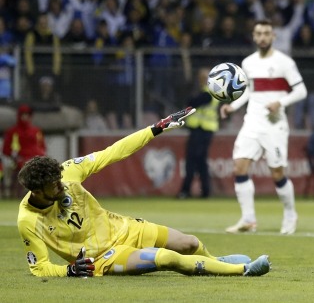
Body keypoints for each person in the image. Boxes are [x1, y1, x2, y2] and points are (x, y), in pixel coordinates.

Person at [17, 107, 270, 277]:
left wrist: (156, 128)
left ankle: (216, 262)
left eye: (60, 180)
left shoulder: (68, 172)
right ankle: (244, 270)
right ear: (37, 192)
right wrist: (69, 271)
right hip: (104, 256)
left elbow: (114, 151)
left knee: (189, 242)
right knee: (168, 258)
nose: (61, 186)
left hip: (125, 228)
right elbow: (39, 267)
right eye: (54, 186)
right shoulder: (28, 221)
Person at [221, 19, 308, 235]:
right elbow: (249, 91)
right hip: (252, 122)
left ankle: (290, 214)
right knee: (239, 167)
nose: (262, 37)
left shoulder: (284, 62)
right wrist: (232, 106)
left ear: (273, 37)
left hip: (274, 124)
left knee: (277, 173)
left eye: (266, 33)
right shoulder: (248, 62)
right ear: (253, 36)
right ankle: (248, 220)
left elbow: (301, 91)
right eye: (258, 33)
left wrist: (281, 102)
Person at [177, 68, 220, 199]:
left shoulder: (209, 93)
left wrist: (192, 96)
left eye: (204, 77)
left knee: (192, 161)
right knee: (201, 161)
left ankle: (185, 191)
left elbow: (193, 102)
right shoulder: (211, 91)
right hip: (202, 130)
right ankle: (205, 191)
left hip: (201, 130)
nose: (202, 79)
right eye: (201, 77)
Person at [2, 104, 46, 198]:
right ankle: (15, 195)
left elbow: (42, 147)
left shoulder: (36, 131)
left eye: (27, 114)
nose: (25, 117)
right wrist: (16, 158)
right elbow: (6, 150)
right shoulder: (12, 132)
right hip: (17, 161)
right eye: (23, 114)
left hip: (35, 160)